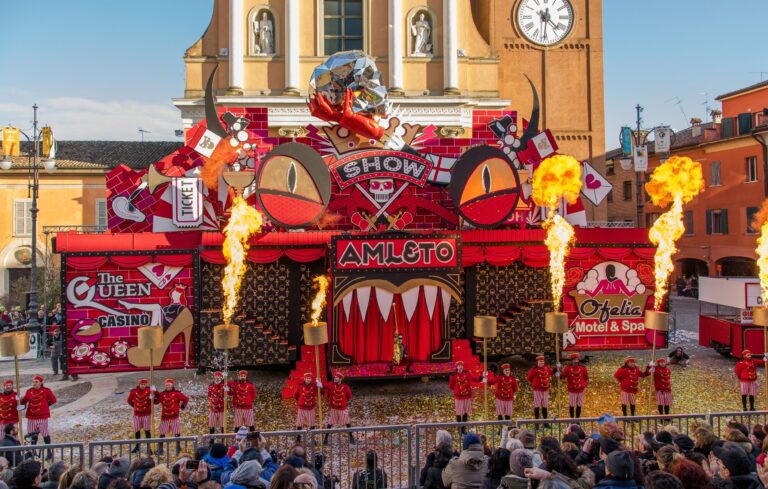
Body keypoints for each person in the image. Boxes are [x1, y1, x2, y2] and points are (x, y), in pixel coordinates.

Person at [20, 375, 56, 449]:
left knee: (44, 433)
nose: (34, 384)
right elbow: (24, 402)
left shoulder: (46, 390)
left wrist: (46, 405)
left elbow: (53, 400)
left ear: (41, 383)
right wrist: (21, 401)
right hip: (31, 416)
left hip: (42, 416)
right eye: (33, 382)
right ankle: (33, 450)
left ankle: (49, 450)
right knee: (32, 434)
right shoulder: (29, 391)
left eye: (36, 382)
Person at [153, 379, 189, 455]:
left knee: (177, 433)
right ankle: (160, 449)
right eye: (166, 385)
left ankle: (178, 448)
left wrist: (182, 406)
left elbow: (186, 399)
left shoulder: (177, 393)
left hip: (174, 417)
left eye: (169, 385)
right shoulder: (162, 394)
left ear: (172, 385)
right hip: (165, 417)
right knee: (162, 433)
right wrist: (153, 395)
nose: (167, 386)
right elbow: (156, 402)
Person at [322, 371, 354, 443]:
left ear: (340, 379)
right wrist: (319, 383)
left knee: (347, 423)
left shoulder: (345, 387)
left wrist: (343, 401)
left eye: (336, 377)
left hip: (342, 408)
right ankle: (325, 439)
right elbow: (324, 386)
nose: (335, 378)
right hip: (334, 408)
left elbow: (349, 396)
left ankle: (351, 438)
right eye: (335, 377)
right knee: (330, 423)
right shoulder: (331, 385)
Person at [126, 379, 153, 453]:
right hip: (137, 414)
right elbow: (129, 400)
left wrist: (154, 390)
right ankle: (137, 447)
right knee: (137, 431)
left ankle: (149, 447)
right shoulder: (134, 392)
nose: (143, 386)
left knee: (147, 431)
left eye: (144, 384)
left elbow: (155, 397)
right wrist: (134, 406)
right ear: (139, 384)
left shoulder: (149, 390)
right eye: (142, 384)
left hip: (146, 414)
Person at [526, 355, 554, 420]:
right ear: (537, 362)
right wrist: (535, 383)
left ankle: (545, 421)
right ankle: (537, 422)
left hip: (545, 390)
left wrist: (556, 369)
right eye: (540, 361)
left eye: (542, 361)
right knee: (537, 406)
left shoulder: (547, 368)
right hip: (538, 390)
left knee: (545, 406)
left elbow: (551, 373)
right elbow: (529, 378)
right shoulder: (534, 370)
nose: (542, 363)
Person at [561, 353, 589, 419]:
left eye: (577, 359)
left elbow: (586, 377)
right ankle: (572, 419)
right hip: (572, 390)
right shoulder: (568, 368)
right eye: (574, 360)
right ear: (572, 361)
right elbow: (562, 376)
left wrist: (583, 385)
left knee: (579, 405)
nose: (576, 361)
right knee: (572, 405)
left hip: (580, 390)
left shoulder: (583, 368)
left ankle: (577, 418)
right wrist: (557, 371)